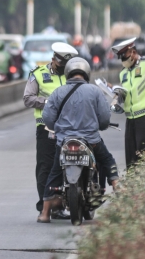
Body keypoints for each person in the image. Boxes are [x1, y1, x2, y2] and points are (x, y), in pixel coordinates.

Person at [37, 57, 119, 223]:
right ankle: (118, 189)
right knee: (107, 160)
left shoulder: (58, 92)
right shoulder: (95, 91)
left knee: (54, 171)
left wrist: (59, 129)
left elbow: (47, 118)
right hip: (91, 141)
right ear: (86, 73)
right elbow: (104, 119)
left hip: (64, 142)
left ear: (68, 73)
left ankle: (44, 213)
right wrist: (99, 126)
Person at [23, 42, 78, 216]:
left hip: (69, 128)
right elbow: (28, 99)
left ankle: (61, 205)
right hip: (46, 128)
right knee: (46, 167)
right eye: (61, 65)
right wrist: (48, 103)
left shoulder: (73, 76)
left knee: (66, 165)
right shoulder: (38, 75)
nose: (63, 69)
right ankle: (44, 205)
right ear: (54, 59)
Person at [110, 37, 145, 168]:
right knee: (131, 161)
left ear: (133, 51)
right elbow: (127, 93)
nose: (123, 60)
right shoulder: (123, 73)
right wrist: (116, 97)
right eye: (120, 58)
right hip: (130, 120)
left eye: (124, 56)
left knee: (144, 160)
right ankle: (133, 188)